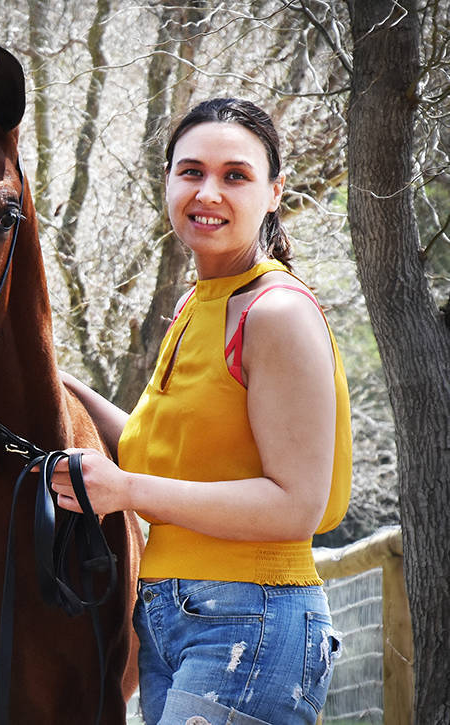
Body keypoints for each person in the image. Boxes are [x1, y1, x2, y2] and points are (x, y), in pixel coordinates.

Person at [51, 99, 352, 724]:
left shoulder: (276, 313)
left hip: (253, 618)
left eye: (235, 175)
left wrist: (124, 490)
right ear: (167, 182)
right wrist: (53, 382)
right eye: (190, 172)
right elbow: (143, 446)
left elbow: (297, 505)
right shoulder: (199, 303)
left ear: (274, 192)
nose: (207, 191)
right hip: (169, 619)